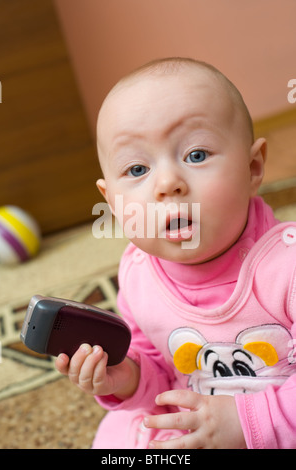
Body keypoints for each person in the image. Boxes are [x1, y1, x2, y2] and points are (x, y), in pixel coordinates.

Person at [55, 57, 296, 449]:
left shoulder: (288, 265)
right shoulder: (138, 273)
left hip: (280, 423)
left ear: (253, 168)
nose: (168, 184)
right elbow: (160, 375)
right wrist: (126, 375)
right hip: (198, 424)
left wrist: (248, 423)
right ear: (111, 201)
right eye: (136, 170)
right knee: (120, 433)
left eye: (196, 155)